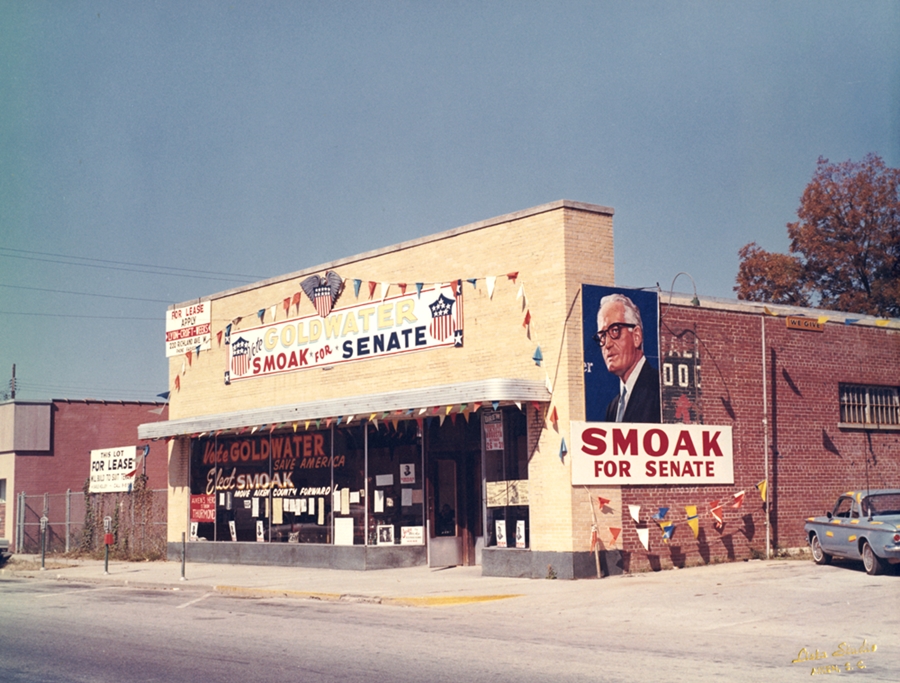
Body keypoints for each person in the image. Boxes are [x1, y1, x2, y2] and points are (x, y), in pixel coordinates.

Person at [594, 293, 661, 423]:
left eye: (614, 331)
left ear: (636, 336)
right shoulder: (612, 408)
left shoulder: (659, 389)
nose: (607, 344)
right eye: (602, 336)